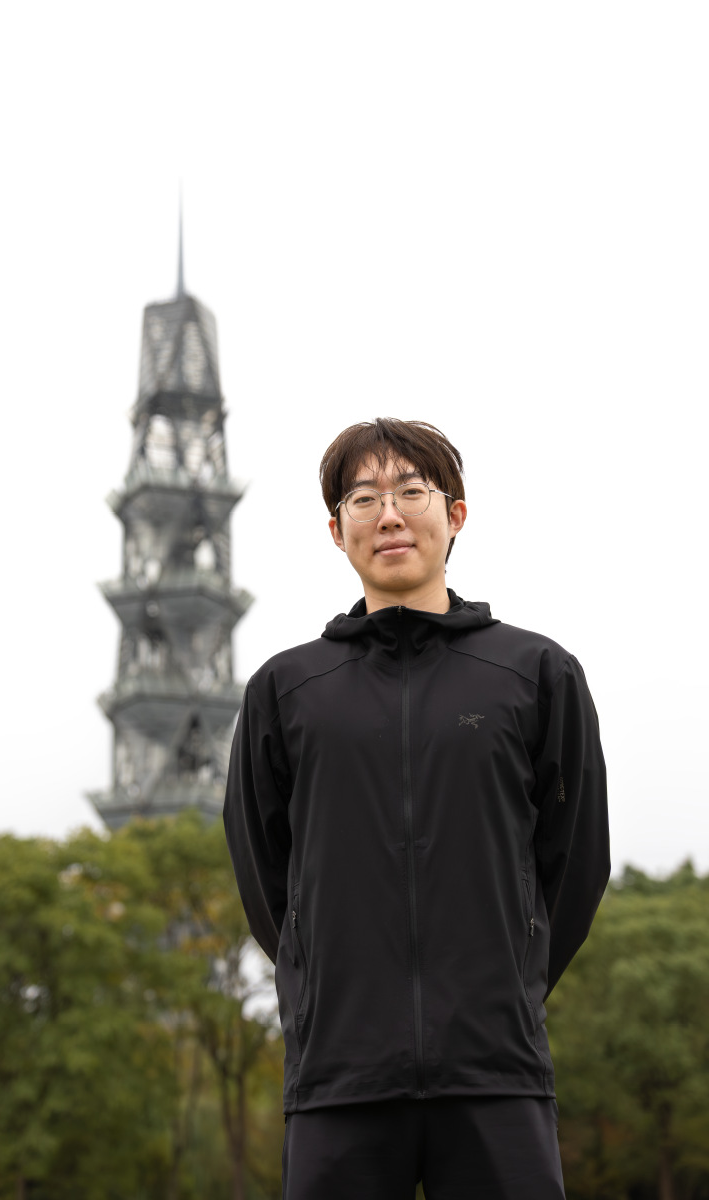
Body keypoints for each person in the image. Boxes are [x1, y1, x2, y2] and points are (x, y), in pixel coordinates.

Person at [224, 418, 609, 1199]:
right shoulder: (285, 690)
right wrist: (322, 990)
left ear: (455, 513)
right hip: (340, 1073)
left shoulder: (537, 673)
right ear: (337, 530)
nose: (389, 515)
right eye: (364, 499)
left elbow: (575, 863)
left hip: (496, 1067)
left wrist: (512, 983)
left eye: (410, 491)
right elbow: (267, 879)